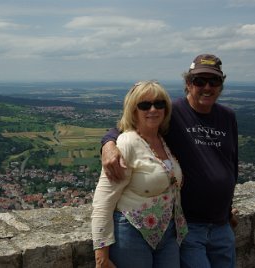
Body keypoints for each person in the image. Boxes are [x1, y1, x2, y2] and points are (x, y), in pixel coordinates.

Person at [101, 54, 238, 268]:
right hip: (190, 224)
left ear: (221, 84)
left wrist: (228, 209)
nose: (207, 87)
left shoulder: (228, 116)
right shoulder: (172, 112)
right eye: (199, 81)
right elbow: (127, 126)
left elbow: (231, 164)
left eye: (214, 81)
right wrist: (108, 145)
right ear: (188, 83)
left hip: (222, 225)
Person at [92, 81, 188, 268]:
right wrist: (101, 254)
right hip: (132, 232)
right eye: (144, 105)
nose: (153, 109)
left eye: (159, 104)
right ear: (133, 110)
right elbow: (103, 200)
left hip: (167, 232)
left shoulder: (163, 139)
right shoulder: (127, 143)